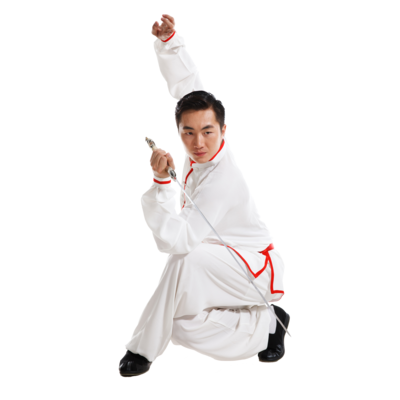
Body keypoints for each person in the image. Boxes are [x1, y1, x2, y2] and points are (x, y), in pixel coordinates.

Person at [117, 13, 290, 378]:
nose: (198, 142)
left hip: (252, 268)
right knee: (174, 324)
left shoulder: (221, 177)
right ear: (179, 129)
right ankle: (264, 326)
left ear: (224, 130)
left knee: (181, 260)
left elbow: (176, 241)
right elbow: (188, 88)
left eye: (208, 132)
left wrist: (160, 183)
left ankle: (140, 350)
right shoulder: (199, 139)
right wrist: (169, 42)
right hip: (216, 261)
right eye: (188, 133)